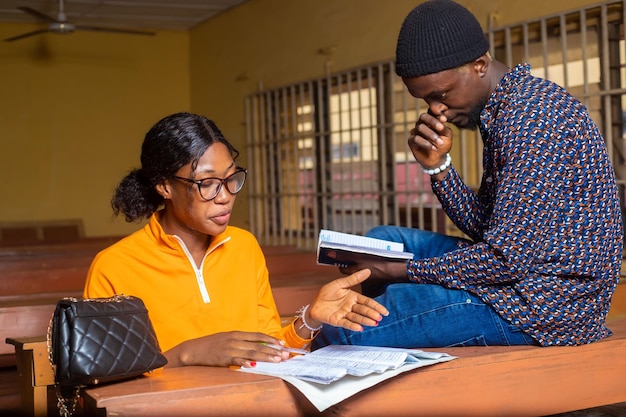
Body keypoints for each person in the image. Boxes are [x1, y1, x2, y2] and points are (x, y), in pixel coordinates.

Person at [312, 0, 623, 349]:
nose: (436, 110)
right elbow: (487, 231)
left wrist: (404, 273)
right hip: (520, 277)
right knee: (383, 241)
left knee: (338, 332)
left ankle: (386, 321)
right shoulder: (510, 107)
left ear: (479, 65)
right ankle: (395, 315)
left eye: (440, 94)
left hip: (544, 307)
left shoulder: (532, 121)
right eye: (425, 100)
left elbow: (505, 260)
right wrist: (438, 167)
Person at [83, 112, 388, 368]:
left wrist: (310, 319)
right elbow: (106, 379)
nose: (226, 197)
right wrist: (186, 354)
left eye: (230, 179)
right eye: (207, 184)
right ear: (164, 186)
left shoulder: (244, 247)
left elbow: (266, 346)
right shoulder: (113, 267)